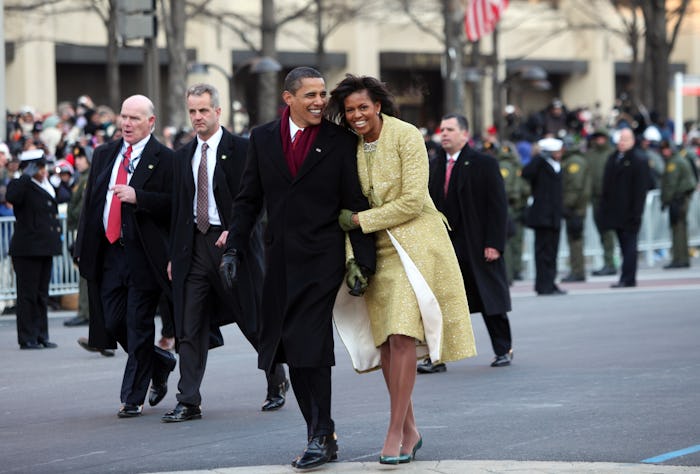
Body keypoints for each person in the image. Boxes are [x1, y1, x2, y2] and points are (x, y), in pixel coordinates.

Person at [220, 67, 376, 470]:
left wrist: (365, 262)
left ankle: (321, 435)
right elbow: (248, 199)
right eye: (310, 95)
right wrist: (233, 248)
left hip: (323, 260)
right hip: (280, 262)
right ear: (288, 98)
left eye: (323, 94)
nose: (320, 102)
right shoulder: (263, 138)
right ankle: (320, 432)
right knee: (288, 347)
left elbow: (355, 202)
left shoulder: (340, 141)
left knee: (309, 343)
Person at [326, 75, 476, 464]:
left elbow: (411, 201)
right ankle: (409, 428)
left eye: (363, 107)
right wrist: (351, 252)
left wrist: (359, 221)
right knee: (385, 342)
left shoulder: (406, 135)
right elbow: (343, 200)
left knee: (402, 334)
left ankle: (394, 432)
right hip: (372, 250)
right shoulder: (347, 144)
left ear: (378, 105)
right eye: (350, 110)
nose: (357, 115)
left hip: (415, 244)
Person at [164, 83, 289, 423]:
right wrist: (175, 256)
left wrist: (237, 231)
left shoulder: (243, 149)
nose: (197, 117)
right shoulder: (182, 156)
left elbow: (258, 200)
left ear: (218, 112)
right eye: (192, 111)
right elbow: (179, 210)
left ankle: (275, 377)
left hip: (235, 246)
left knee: (252, 319)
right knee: (188, 325)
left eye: (203, 110)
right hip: (195, 248)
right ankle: (188, 399)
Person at [74, 94, 176, 418]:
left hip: (143, 256)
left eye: (134, 118)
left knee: (138, 324)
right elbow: (92, 203)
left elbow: (174, 205)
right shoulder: (105, 153)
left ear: (151, 122)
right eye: (123, 117)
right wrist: (81, 248)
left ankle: (132, 398)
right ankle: (160, 363)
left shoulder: (166, 158)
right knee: (112, 321)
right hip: (109, 254)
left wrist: (139, 196)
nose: (126, 124)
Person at [419, 112, 512, 371]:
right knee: (441, 302)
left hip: (478, 244)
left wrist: (494, 243)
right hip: (446, 246)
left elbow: (498, 207)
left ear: (464, 134)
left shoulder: (484, 163)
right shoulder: (434, 164)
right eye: (442, 129)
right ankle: (437, 357)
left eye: (450, 129)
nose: (444, 134)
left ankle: (503, 349)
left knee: (489, 299)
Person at [6, 149, 62, 349]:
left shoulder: (46, 185)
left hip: (44, 248)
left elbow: (62, 196)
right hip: (27, 249)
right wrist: (25, 176)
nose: (43, 170)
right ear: (29, 167)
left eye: (43, 166)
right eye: (38, 167)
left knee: (41, 295)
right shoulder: (21, 184)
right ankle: (27, 337)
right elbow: (11, 196)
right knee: (27, 295)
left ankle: (41, 335)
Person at [600, 127, 649, 288]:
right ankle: (626, 276)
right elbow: (606, 186)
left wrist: (637, 213)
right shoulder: (613, 158)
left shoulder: (638, 160)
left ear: (632, 141)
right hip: (616, 211)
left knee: (630, 246)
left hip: (630, 212)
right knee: (623, 245)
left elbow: (640, 190)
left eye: (625, 140)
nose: (622, 143)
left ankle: (628, 278)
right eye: (620, 139)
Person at [523, 138, 566, 295]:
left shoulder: (557, 166)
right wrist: (540, 156)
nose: (560, 153)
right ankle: (543, 285)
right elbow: (526, 173)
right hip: (542, 216)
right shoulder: (540, 164)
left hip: (554, 216)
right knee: (542, 253)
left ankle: (551, 282)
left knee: (553, 252)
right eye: (557, 150)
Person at [659, 140, 697, 269]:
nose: (665, 152)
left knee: (678, 229)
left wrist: (665, 200)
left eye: (666, 149)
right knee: (680, 228)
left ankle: (679, 258)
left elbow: (671, 184)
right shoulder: (678, 159)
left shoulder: (674, 162)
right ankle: (682, 257)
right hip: (681, 198)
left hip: (678, 199)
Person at [585, 129, 617, 276]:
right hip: (595, 198)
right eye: (597, 138)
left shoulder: (612, 154)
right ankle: (608, 262)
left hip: (610, 198)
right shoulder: (590, 155)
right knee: (602, 232)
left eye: (601, 137)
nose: (599, 140)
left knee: (609, 232)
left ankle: (611, 262)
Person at [560, 137, 591, 282]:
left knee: (575, 240)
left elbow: (574, 186)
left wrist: (567, 205)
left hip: (575, 208)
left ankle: (578, 271)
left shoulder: (574, 161)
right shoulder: (573, 159)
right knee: (574, 240)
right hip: (575, 207)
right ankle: (576, 269)